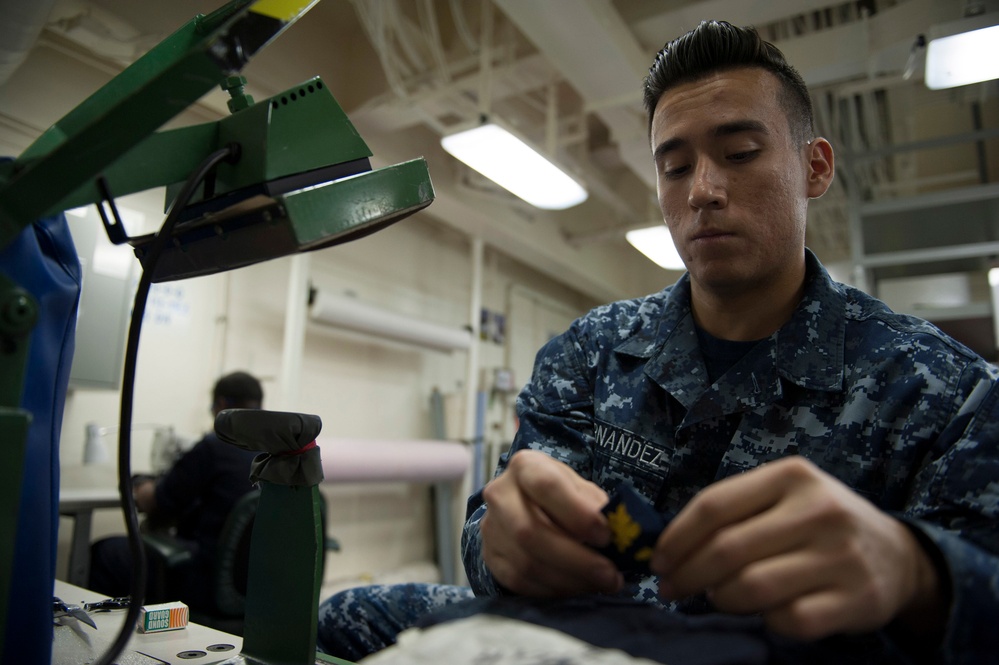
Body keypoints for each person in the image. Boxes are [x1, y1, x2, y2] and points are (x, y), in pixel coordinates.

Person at [317, 21, 999, 663]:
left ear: (814, 168)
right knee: (343, 615)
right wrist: (499, 543)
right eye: (674, 167)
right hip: (593, 639)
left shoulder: (940, 390)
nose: (702, 189)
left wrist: (916, 571)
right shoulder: (591, 351)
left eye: (738, 154)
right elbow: (496, 533)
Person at [88, 371, 264, 614]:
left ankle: (105, 643)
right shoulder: (276, 453)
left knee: (106, 552)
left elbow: (154, 501)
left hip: (203, 582)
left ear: (221, 404)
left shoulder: (215, 447)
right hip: (256, 589)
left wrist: (140, 483)